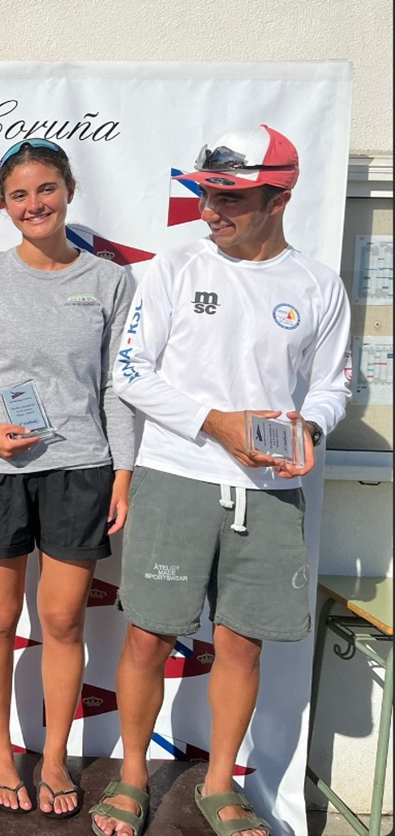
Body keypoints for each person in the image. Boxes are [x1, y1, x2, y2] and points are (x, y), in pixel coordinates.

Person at [91, 125, 350, 836]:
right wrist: (218, 423)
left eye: (230, 198)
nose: (210, 211)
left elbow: (333, 386)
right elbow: (132, 373)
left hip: (268, 494)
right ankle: (132, 774)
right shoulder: (176, 269)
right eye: (206, 194)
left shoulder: (317, 286)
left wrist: (311, 429)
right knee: (148, 636)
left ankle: (219, 781)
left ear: (281, 197)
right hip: (175, 476)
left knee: (242, 643)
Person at [0, 139, 134, 816]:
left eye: (46, 189)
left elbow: (117, 389)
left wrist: (123, 470)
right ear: (3, 202)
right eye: (19, 194)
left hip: (79, 468)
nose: (34, 205)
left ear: (70, 190)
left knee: (61, 619)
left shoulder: (109, 281)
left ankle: (53, 757)